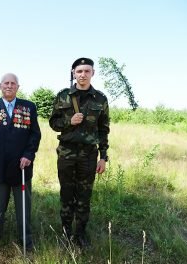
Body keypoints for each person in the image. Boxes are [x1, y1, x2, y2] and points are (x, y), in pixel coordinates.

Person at [49, 57, 110, 249]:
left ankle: (81, 233)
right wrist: (69, 121)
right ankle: (66, 233)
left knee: (84, 195)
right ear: (73, 73)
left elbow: (103, 129)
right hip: (66, 153)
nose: (83, 75)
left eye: (87, 71)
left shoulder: (100, 99)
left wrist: (103, 157)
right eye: (79, 71)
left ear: (92, 73)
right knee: (67, 193)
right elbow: (53, 123)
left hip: (89, 156)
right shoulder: (63, 96)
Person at [0, 73, 41, 251]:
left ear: (18, 87)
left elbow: (35, 134)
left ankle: (25, 240)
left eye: (12, 83)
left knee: (23, 207)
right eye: (6, 83)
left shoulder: (28, 107)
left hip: (22, 167)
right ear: (0, 86)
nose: (9, 86)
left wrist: (29, 155)